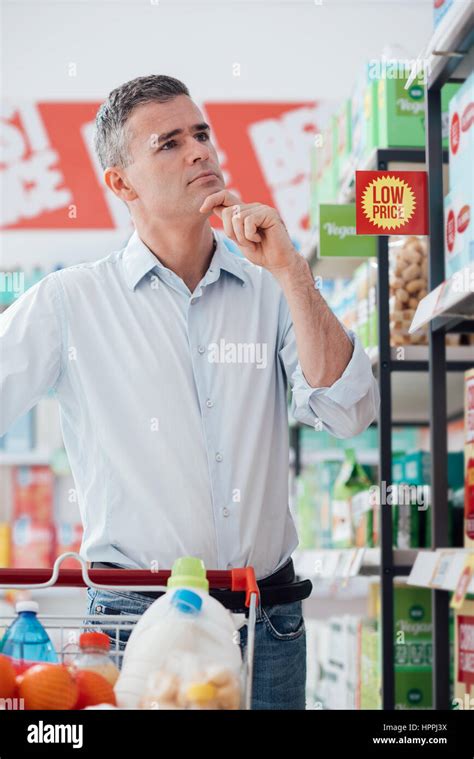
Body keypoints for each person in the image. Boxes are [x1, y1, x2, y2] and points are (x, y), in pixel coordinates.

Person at [0, 74, 379, 709]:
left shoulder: (272, 289)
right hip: (134, 626)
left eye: (201, 133)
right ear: (120, 183)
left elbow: (349, 411)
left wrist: (292, 271)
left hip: (268, 621)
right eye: (169, 143)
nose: (199, 150)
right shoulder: (72, 302)